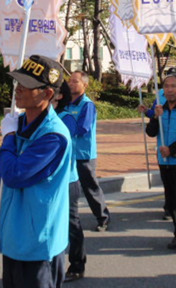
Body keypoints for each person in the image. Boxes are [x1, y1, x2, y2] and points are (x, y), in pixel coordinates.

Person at [0, 55, 72, 288]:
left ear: (48, 94)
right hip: (12, 239)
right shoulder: (19, 124)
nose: (18, 89)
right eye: (18, 82)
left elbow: (14, 175)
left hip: (38, 245)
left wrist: (8, 137)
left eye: (27, 84)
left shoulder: (53, 135)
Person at [145, 71, 176, 249]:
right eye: (166, 86)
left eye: (173, 86)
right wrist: (155, 117)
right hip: (164, 162)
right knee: (171, 203)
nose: (169, 90)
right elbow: (151, 132)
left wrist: (172, 150)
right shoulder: (160, 106)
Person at [65, 70, 111, 231]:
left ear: (85, 84)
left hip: (84, 154)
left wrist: (64, 129)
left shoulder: (87, 105)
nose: (71, 83)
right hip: (69, 154)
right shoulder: (66, 104)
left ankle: (103, 218)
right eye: (70, 81)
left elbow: (83, 128)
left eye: (75, 81)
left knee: (90, 187)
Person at [55, 81, 86, 282]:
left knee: (71, 225)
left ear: (57, 96)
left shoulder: (66, 119)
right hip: (51, 183)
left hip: (66, 181)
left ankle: (77, 264)